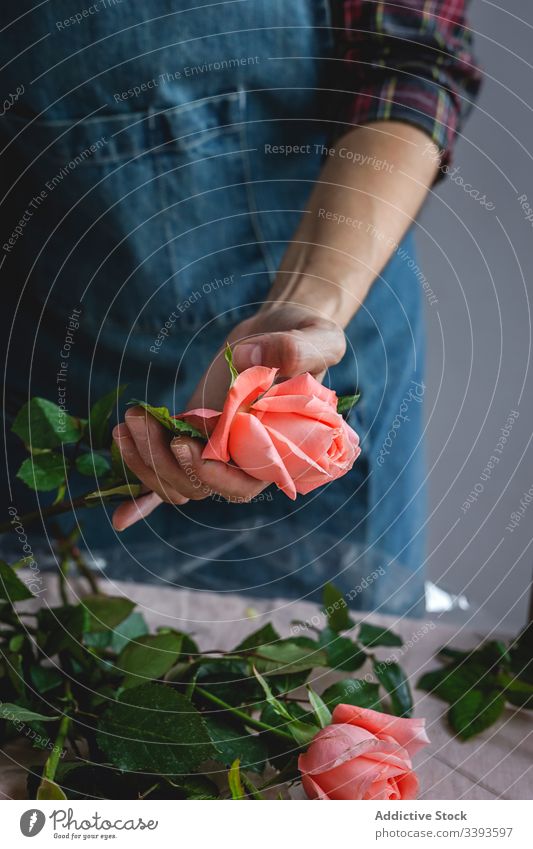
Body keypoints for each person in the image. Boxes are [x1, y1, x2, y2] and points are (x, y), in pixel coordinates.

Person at [0, 1, 480, 613]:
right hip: (49, 359)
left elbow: (412, 66)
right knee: (61, 659)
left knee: (319, 671)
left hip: (326, 322)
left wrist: (305, 308)